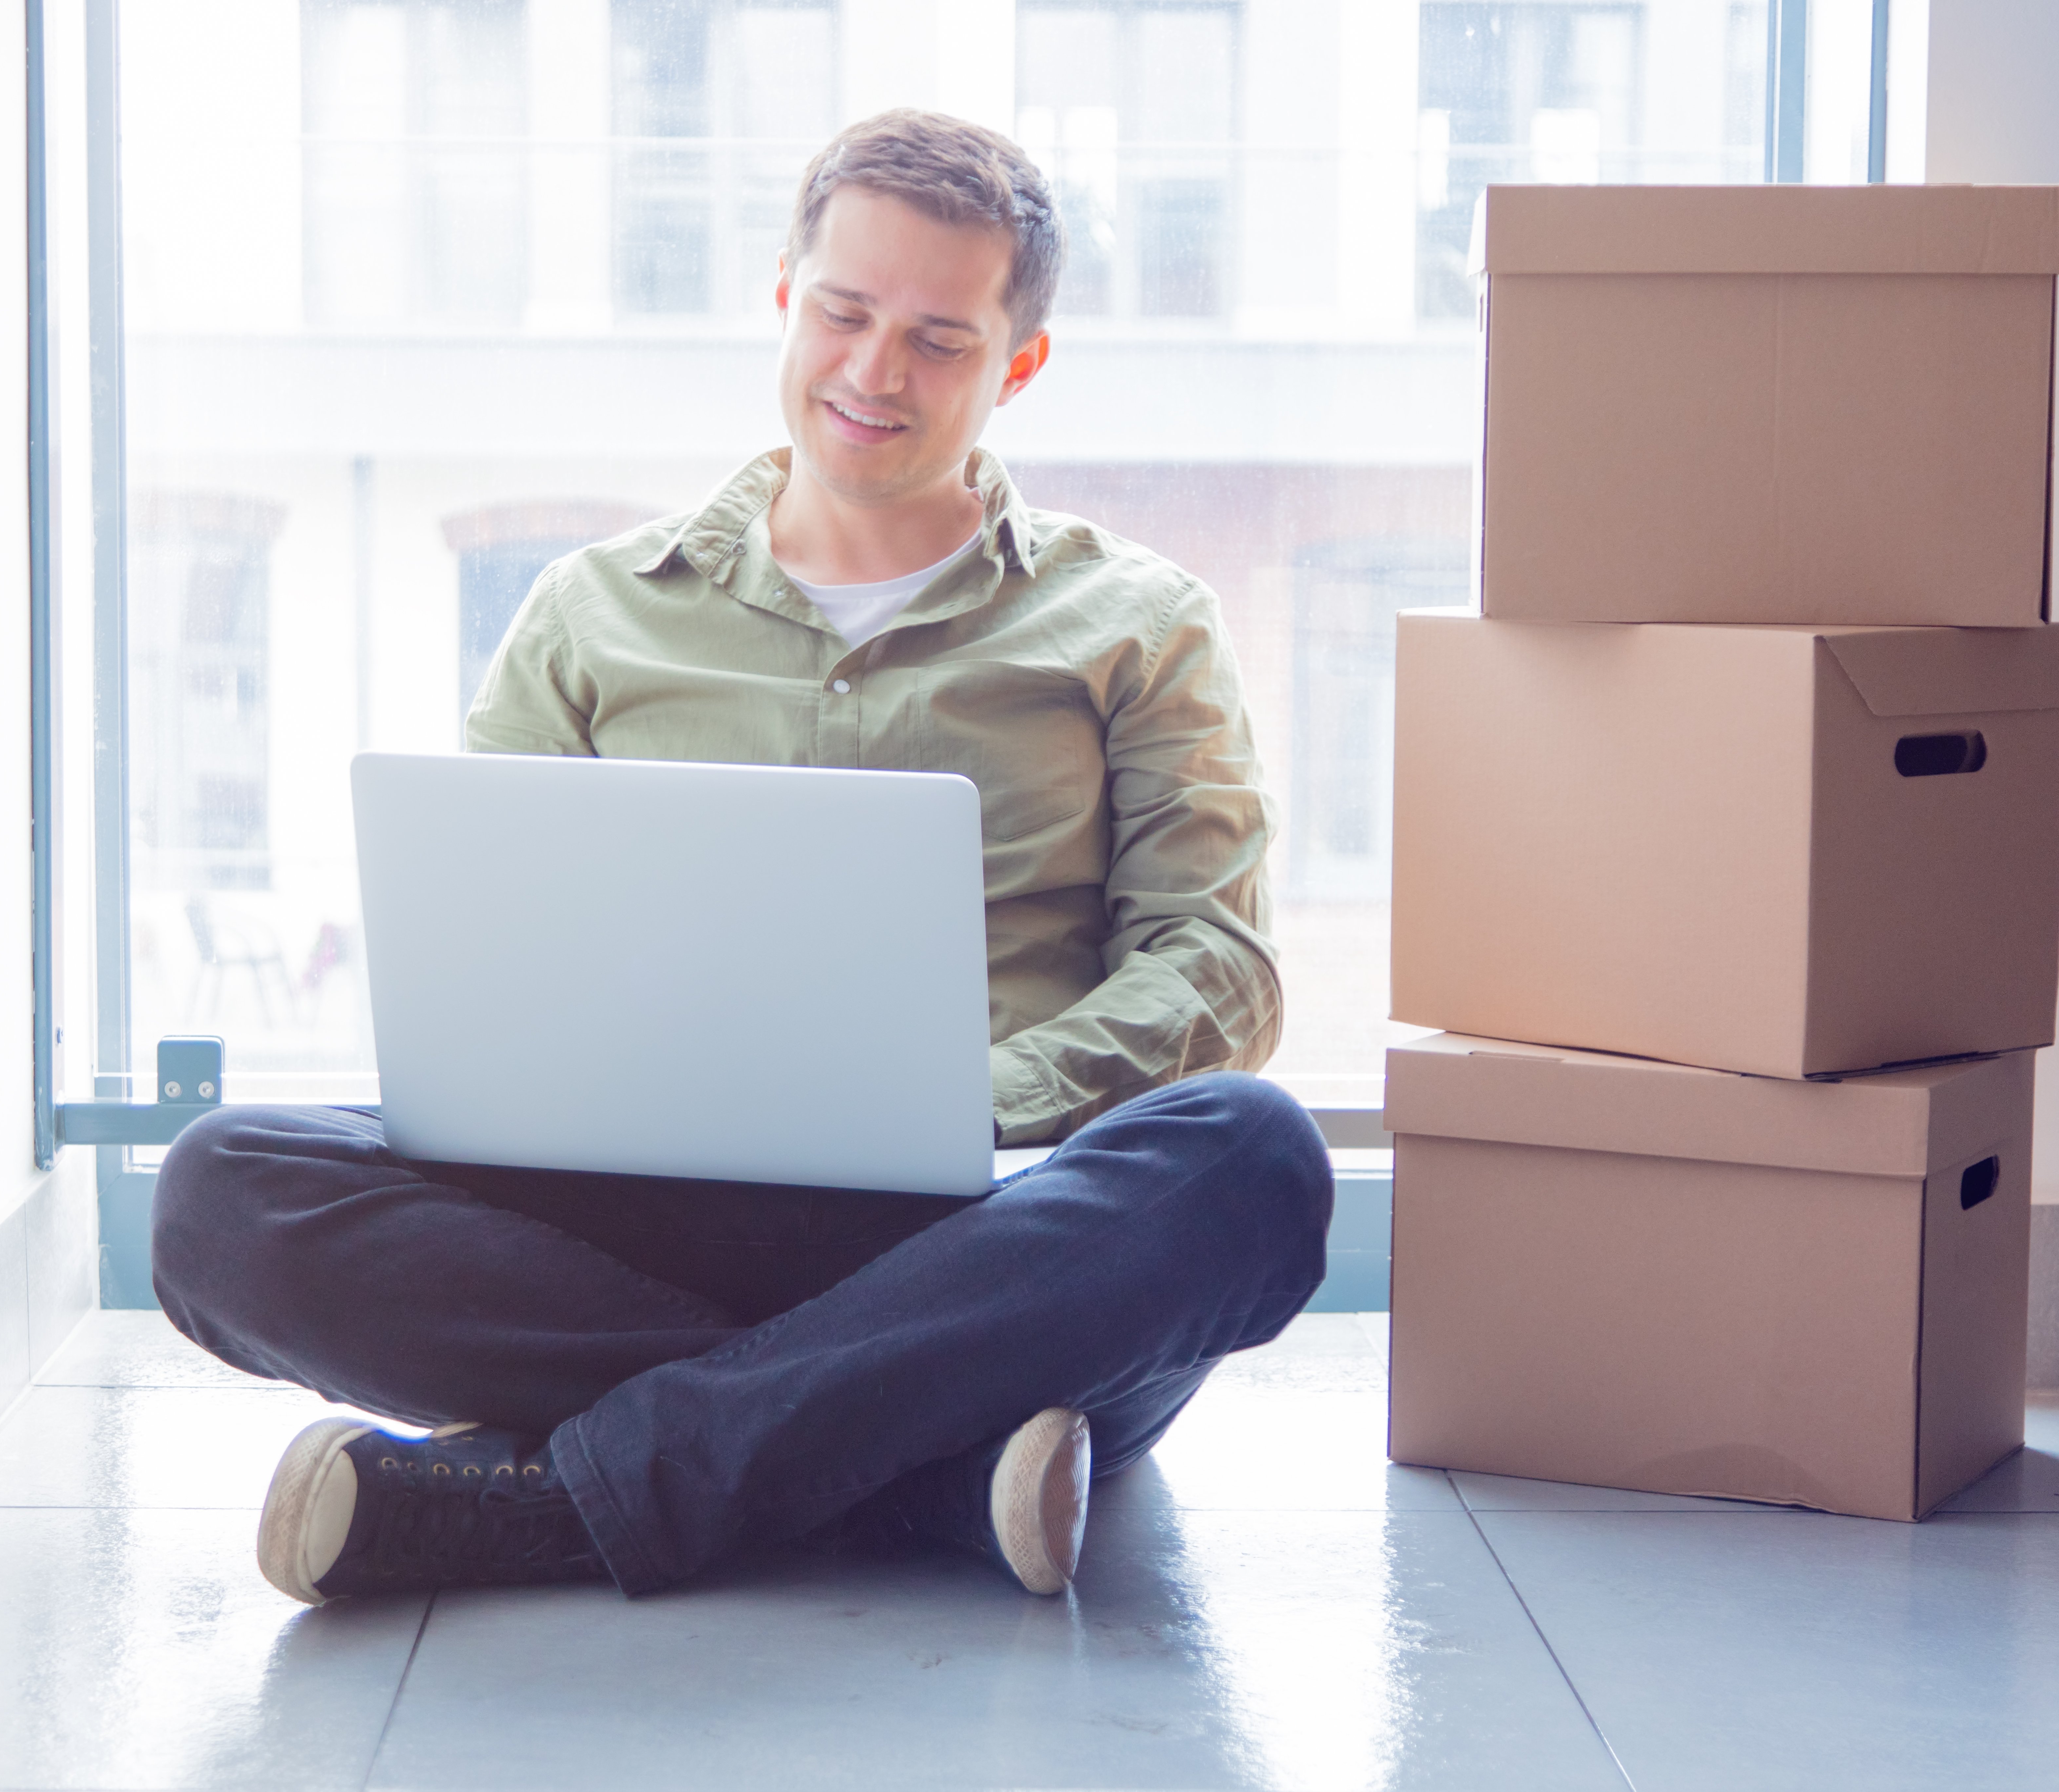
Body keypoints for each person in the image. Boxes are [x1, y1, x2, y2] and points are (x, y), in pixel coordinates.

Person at [152, 109, 1332, 1608]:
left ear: (1017, 365)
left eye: (937, 340)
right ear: (786, 293)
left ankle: (541, 1500)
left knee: (1252, 1158)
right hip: (652, 1213)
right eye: (844, 313)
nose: (872, 374)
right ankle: (924, 1474)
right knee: (217, 1190)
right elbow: (493, 955)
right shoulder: (591, 613)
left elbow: (1216, 965)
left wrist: (975, 1100)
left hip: (991, 1225)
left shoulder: (1140, 624)